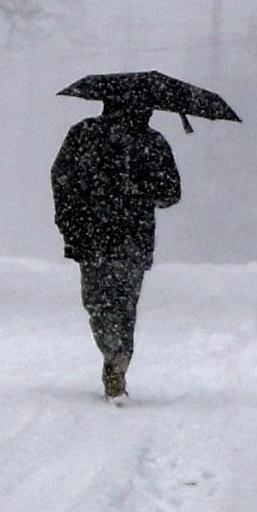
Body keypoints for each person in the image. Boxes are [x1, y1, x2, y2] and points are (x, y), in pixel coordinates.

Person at [50, 96, 181, 400]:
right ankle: (119, 358)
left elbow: (62, 179)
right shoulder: (152, 142)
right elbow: (171, 193)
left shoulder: (83, 134)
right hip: (133, 238)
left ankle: (112, 352)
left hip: (91, 235)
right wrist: (140, 188)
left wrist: (69, 221)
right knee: (124, 304)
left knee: (98, 302)